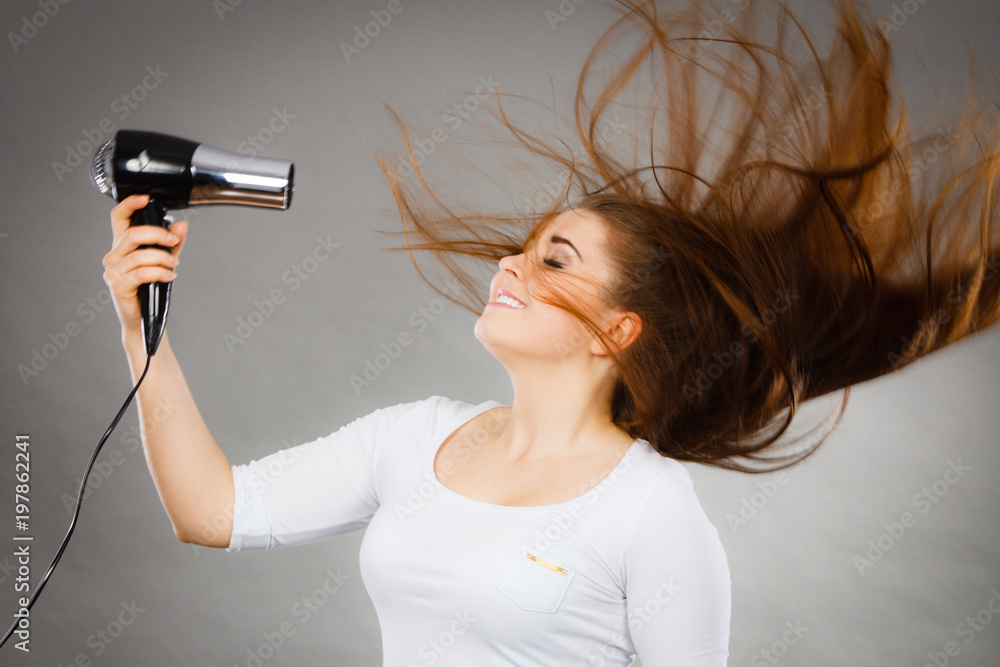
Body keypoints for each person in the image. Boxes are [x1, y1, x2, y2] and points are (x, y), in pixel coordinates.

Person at [101, 0, 999, 664]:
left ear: (616, 330)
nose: (510, 267)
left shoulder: (651, 511)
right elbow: (212, 510)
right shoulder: (412, 438)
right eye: (520, 251)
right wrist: (140, 322)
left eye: (555, 259)